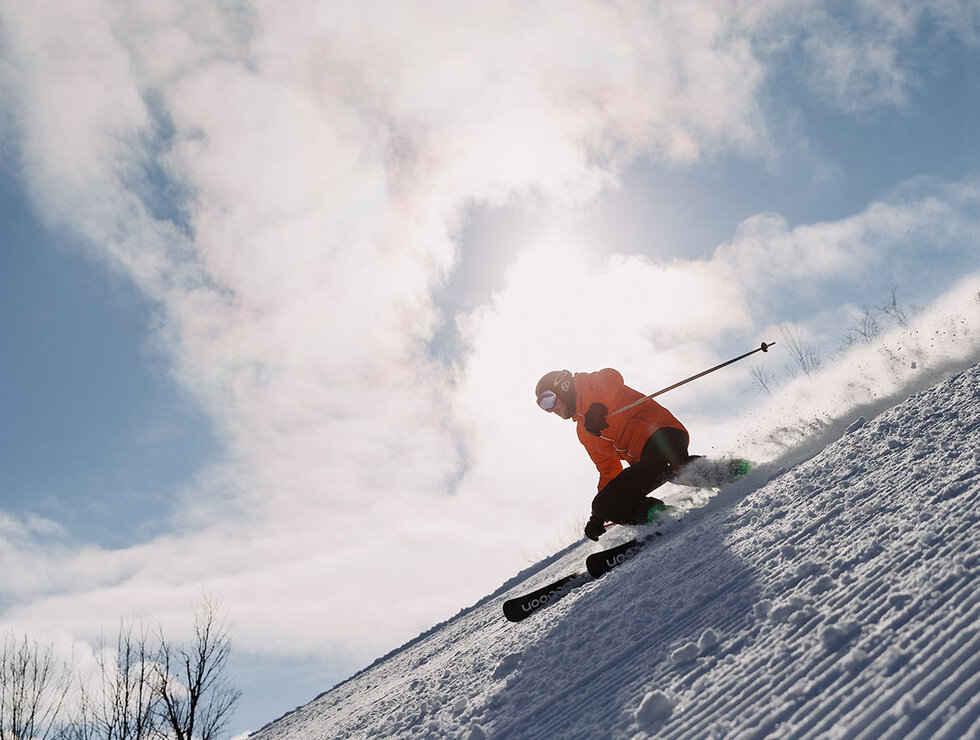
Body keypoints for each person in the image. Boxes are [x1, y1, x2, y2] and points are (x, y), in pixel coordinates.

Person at [535, 367, 697, 541]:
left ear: (563, 387)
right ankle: (660, 516)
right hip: (648, 462)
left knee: (672, 465)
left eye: (549, 401)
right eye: (544, 407)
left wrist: (598, 405)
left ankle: (719, 472)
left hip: (662, 434)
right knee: (603, 504)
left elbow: (610, 376)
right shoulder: (584, 431)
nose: (551, 410)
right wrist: (598, 516)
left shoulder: (589, 385)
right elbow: (608, 470)